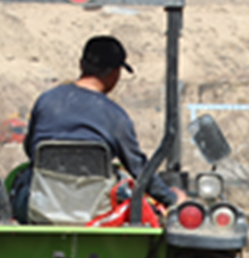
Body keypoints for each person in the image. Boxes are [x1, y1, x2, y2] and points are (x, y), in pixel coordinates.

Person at [18, 35, 184, 220]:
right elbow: (139, 170)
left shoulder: (46, 102)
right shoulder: (115, 116)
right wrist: (172, 199)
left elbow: (29, 150)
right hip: (97, 213)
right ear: (115, 73)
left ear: (81, 64)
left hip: (39, 208)